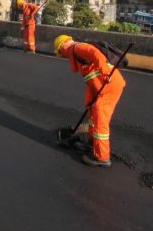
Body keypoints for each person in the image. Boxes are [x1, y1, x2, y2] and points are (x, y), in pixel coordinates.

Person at [54, 35, 126, 168]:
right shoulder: (77, 52)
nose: (64, 56)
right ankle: (92, 143)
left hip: (109, 86)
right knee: (93, 113)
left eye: (61, 53)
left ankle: (102, 157)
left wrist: (104, 73)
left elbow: (95, 53)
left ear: (63, 47)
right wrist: (90, 100)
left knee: (100, 119)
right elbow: (91, 80)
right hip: (102, 87)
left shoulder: (78, 48)